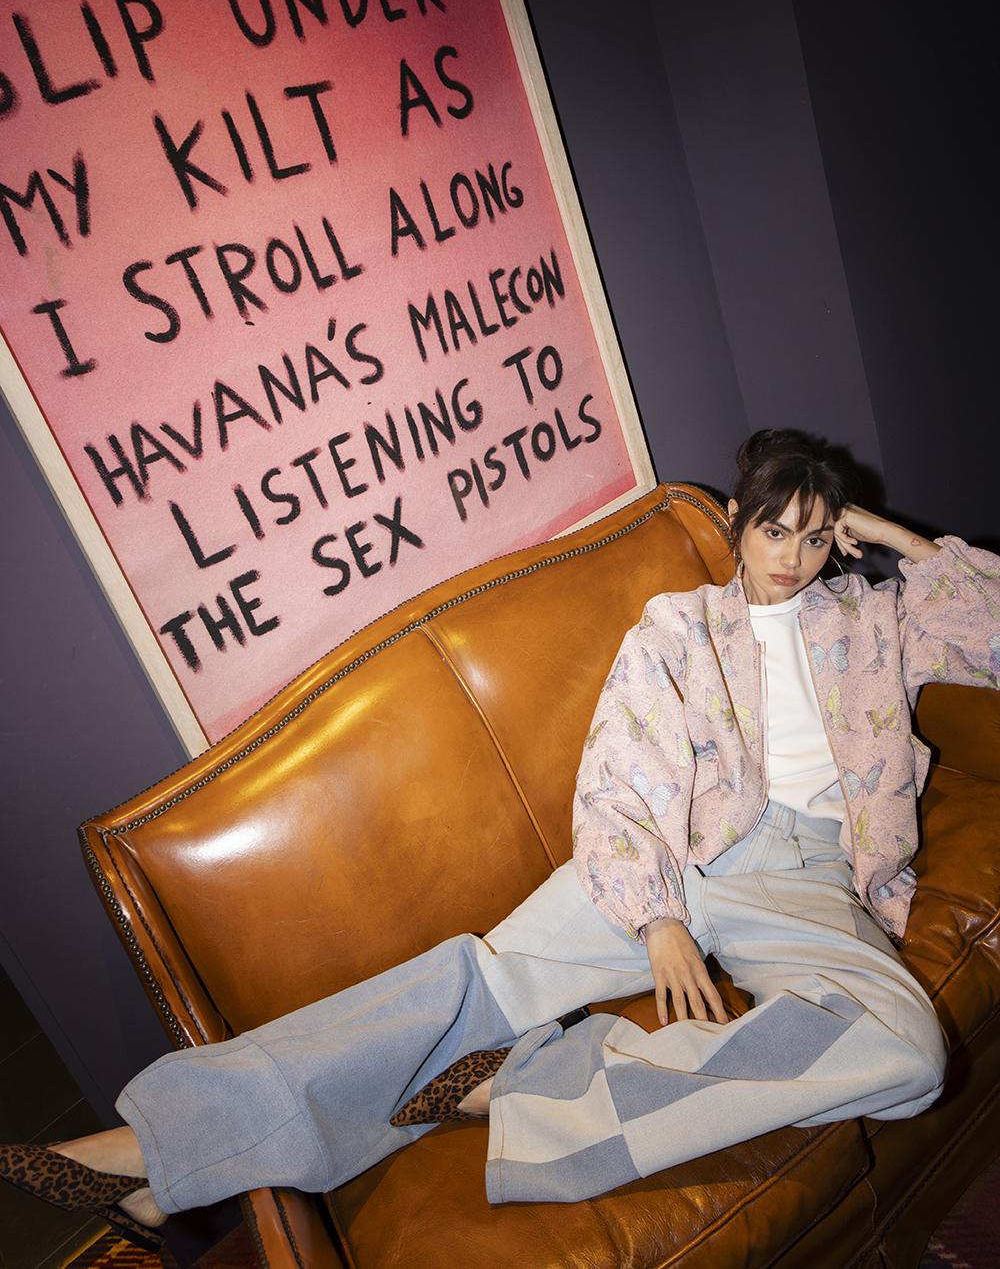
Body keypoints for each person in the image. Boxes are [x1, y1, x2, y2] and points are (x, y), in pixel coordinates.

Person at [3, 429, 998, 1248]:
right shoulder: (677, 629)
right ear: (736, 523)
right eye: (774, 529)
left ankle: (542, 1092)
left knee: (907, 1054)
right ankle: (158, 1146)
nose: (791, 557)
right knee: (472, 989)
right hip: (673, 859)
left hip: (807, 875)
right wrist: (657, 919)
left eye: (816, 538)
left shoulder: (872, 621)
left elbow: (989, 625)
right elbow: (618, 776)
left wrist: (882, 531)